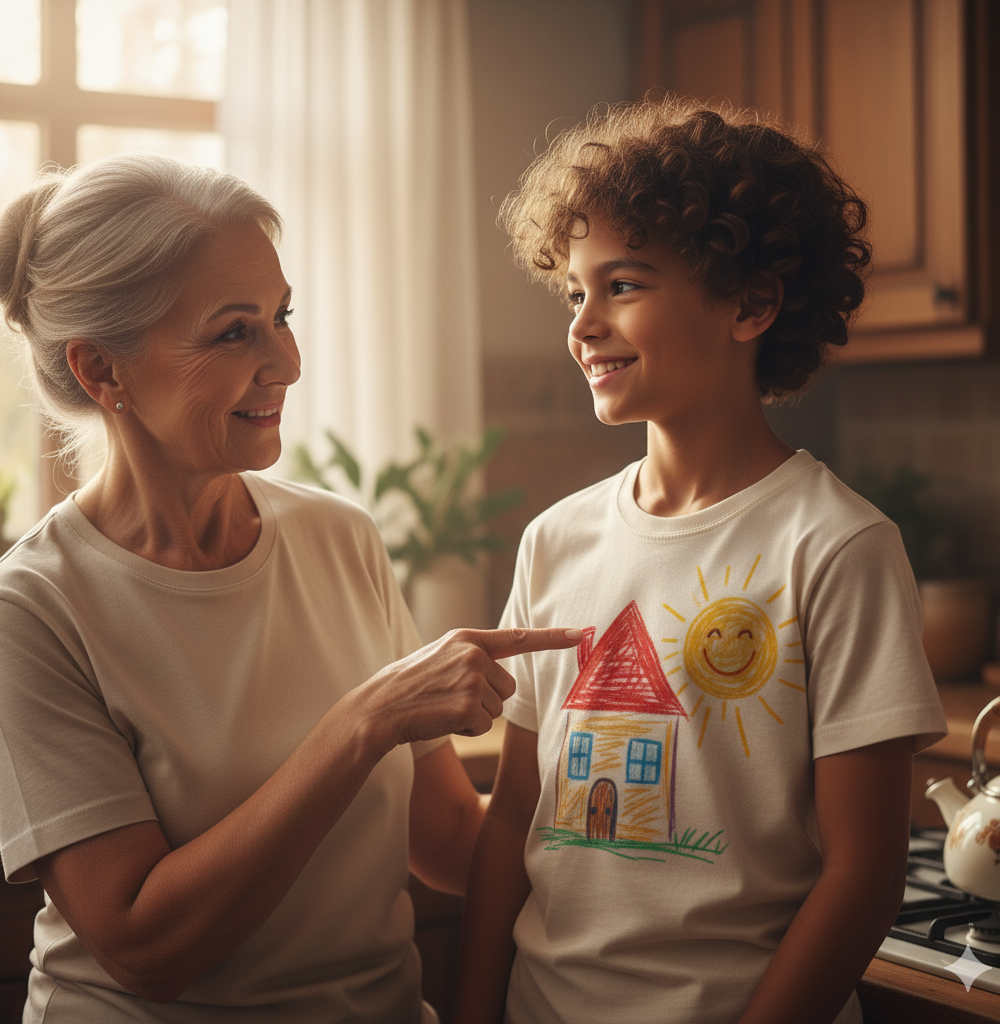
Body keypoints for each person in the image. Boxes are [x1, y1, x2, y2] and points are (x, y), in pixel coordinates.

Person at [0, 152, 582, 1024]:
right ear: (102, 371)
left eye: (282, 316)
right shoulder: (33, 610)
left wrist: (668, 829)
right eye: (236, 331)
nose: (288, 361)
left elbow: (450, 840)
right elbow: (144, 945)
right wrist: (363, 721)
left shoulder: (338, 538)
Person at [453, 98, 948, 1024]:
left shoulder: (837, 545)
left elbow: (864, 877)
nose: (583, 325)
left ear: (753, 303)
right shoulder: (555, 539)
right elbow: (514, 816)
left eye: (625, 286)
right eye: (574, 292)